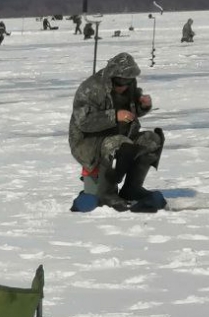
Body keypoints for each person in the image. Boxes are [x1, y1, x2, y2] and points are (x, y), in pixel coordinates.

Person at [69, 52, 165, 212]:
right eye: (120, 81)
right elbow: (83, 122)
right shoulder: (91, 88)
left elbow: (132, 113)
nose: (124, 86)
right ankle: (107, 192)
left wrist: (142, 105)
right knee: (118, 144)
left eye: (128, 81)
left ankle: (132, 188)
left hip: (122, 136)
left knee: (152, 140)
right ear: (111, 77)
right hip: (89, 142)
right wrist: (114, 116)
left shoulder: (129, 87)